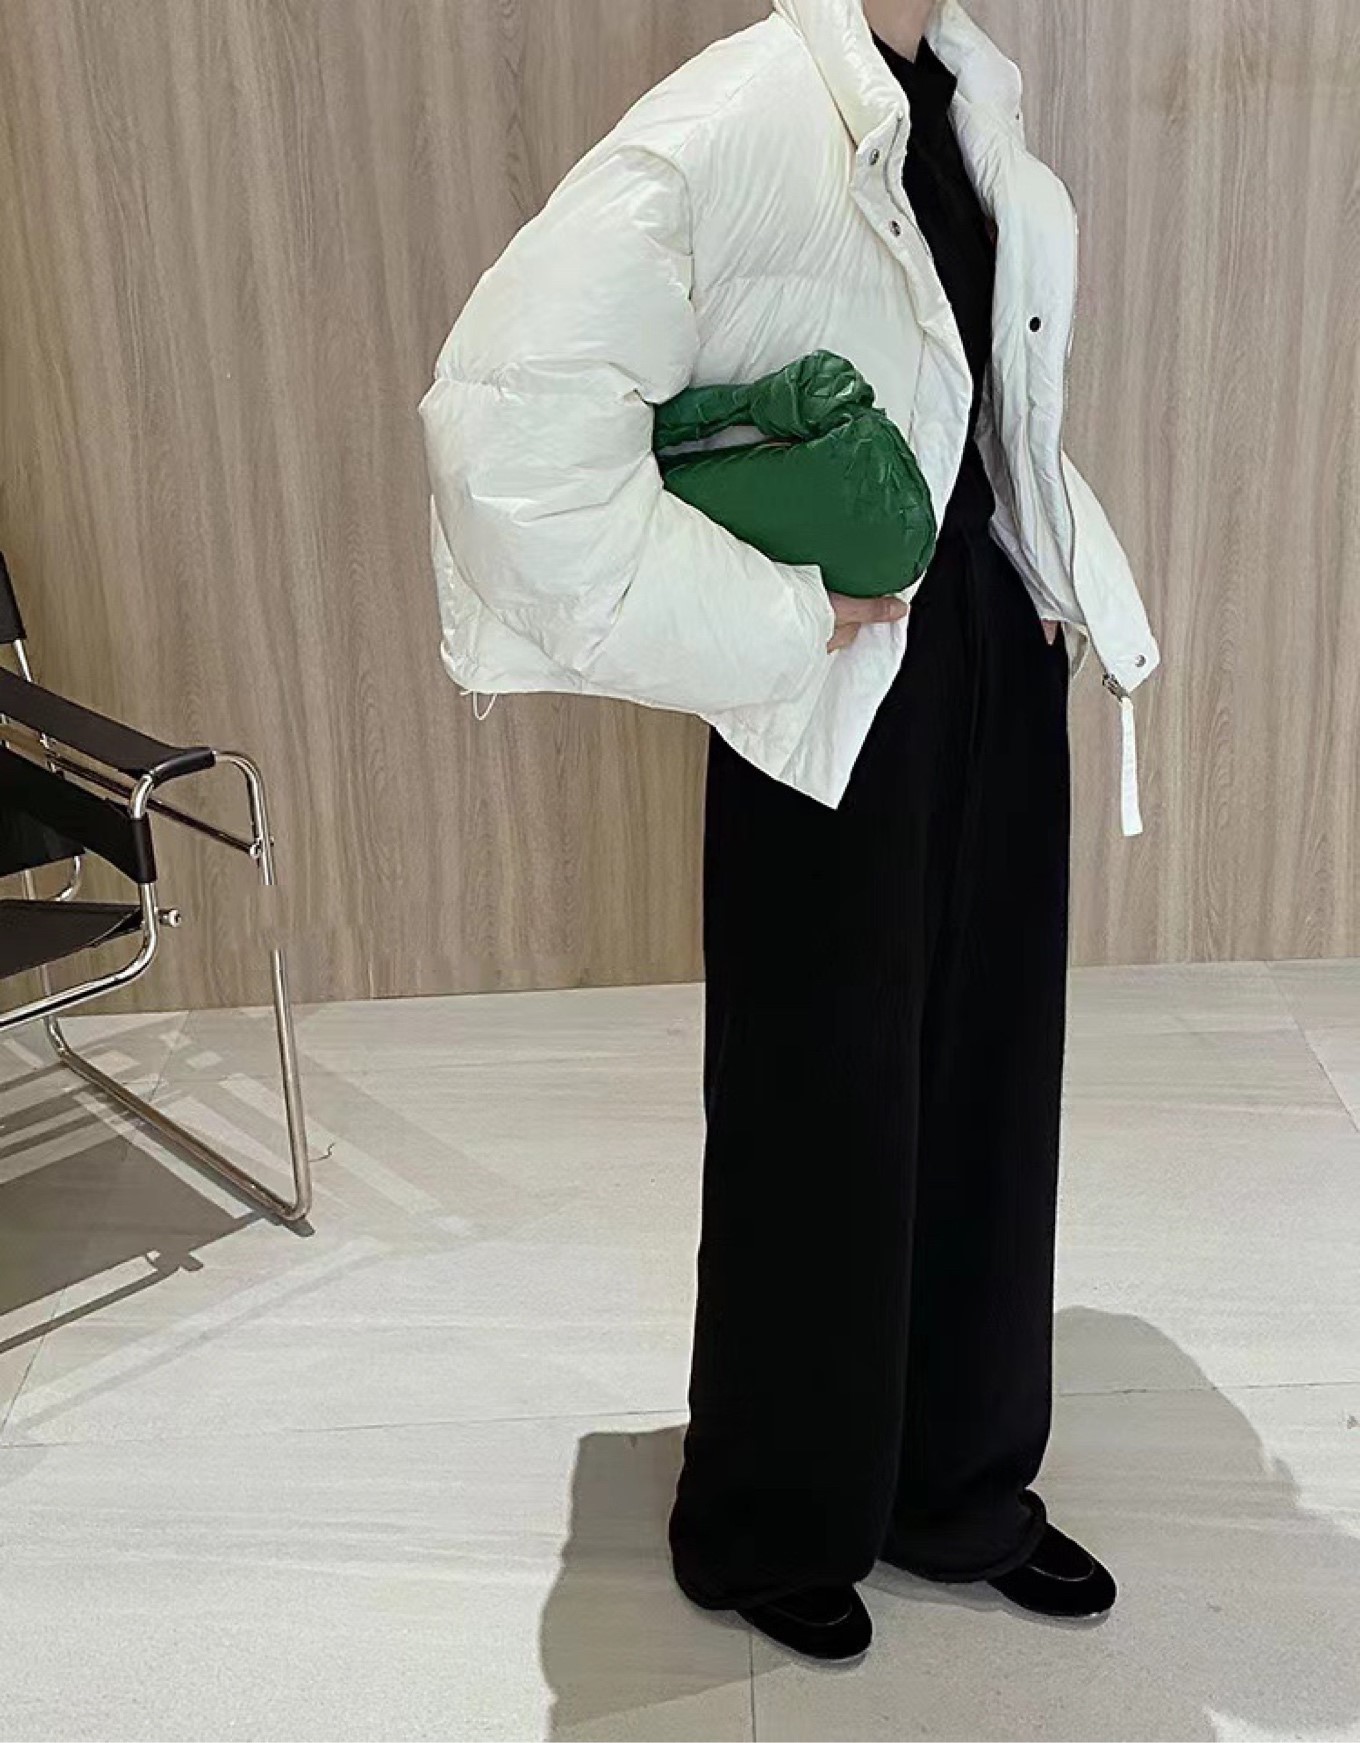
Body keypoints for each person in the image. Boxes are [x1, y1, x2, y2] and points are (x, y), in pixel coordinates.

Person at [420, 0, 1161, 1664]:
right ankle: (775, 1512)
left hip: (987, 653)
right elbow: (508, 424)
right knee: (817, 1098)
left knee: (986, 1082)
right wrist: (762, 617)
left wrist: (1045, 568)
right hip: (832, 679)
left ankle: (957, 1485)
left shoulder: (964, 97)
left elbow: (979, 390)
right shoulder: (736, 113)